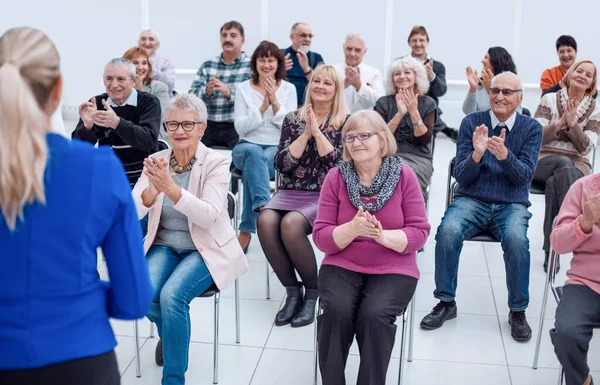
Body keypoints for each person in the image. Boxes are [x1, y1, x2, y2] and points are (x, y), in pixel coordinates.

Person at [0, 27, 153, 385]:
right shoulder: (98, 169)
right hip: (80, 355)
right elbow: (133, 301)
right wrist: (70, 296)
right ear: (57, 91)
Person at [131, 94, 248, 385]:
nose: (179, 131)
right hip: (164, 243)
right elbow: (132, 208)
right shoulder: (157, 160)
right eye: (172, 124)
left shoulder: (216, 163)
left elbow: (208, 216)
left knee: (172, 297)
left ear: (202, 127)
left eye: (187, 124)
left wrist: (171, 189)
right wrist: (151, 193)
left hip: (204, 248)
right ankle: (171, 334)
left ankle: (173, 379)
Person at [419, 72, 543, 342]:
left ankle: (517, 310)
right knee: (448, 231)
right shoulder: (471, 122)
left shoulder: (532, 128)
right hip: (471, 199)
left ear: (520, 97)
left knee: (517, 240)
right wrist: (477, 154)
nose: (499, 96)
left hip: (511, 203)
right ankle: (446, 302)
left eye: (507, 92)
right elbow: (461, 176)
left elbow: (523, 178)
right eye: (495, 90)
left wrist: (505, 156)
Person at [313, 110, 430, 385]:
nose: (356, 142)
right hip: (342, 263)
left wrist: (382, 237)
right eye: (350, 137)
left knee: (374, 315)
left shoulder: (404, 175)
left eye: (364, 135)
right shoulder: (335, 177)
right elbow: (321, 236)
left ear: (382, 140)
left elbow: (419, 232)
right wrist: (353, 229)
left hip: (394, 266)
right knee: (336, 312)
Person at [257, 64, 347, 328]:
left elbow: (338, 168)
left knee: (291, 224)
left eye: (327, 83)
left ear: (336, 90)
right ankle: (293, 291)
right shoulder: (292, 119)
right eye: (316, 81)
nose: (320, 86)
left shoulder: (346, 121)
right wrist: (306, 133)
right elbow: (282, 165)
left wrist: (318, 134)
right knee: (265, 221)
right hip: (290, 190)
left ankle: (313, 292)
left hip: (326, 193)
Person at [533, 60, 600, 273]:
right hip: (543, 161)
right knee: (562, 163)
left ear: (591, 84)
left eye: (588, 75)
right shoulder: (549, 99)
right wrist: (561, 123)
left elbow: (586, 147)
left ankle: (551, 248)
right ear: (570, 75)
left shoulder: (596, 110)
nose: (582, 75)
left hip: (577, 166)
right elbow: (535, 138)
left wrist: (573, 125)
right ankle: (574, 230)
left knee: (557, 181)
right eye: (579, 71)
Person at [233, 41, 297, 252]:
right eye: (262, 60)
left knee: (257, 163)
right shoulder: (242, 89)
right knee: (253, 153)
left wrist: (275, 102)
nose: (266, 64)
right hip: (246, 145)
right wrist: (262, 108)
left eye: (271, 60)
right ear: (255, 63)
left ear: (278, 63)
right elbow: (241, 128)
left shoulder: (289, 89)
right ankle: (264, 207)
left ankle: (246, 229)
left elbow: (292, 127)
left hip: (275, 147)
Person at [72, 58, 162, 187]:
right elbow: (78, 148)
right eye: (109, 79)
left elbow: (148, 140)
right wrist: (87, 127)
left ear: (134, 81)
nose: (114, 85)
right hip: (108, 178)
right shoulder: (96, 103)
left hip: (144, 179)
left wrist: (117, 123)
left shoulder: (149, 102)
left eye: (120, 79)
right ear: (104, 81)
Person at [549, 173, 600, 385]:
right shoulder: (584, 188)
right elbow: (558, 244)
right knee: (567, 333)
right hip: (586, 282)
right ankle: (582, 380)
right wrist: (585, 222)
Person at [374, 56, 437, 201]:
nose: (402, 77)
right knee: (390, 170)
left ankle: (411, 218)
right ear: (392, 79)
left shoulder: (428, 103)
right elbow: (379, 139)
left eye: (407, 72)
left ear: (416, 76)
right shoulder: (383, 103)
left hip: (418, 159)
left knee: (401, 172)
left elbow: (424, 140)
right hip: (387, 156)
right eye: (397, 74)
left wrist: (414, 112)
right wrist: (399, 114)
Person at [189, 21, 251, 149]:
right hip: (208, 125)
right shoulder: (208, 65)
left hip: (235, 125)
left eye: (233, 35)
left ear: (242, 41)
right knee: (190, 152)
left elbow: (254, 99)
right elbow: (191, 96)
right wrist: (207, 91)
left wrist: (230, 93)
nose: (227, 39)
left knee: (242, 154)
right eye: (224, 35)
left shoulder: (251, 66)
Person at [407, 25, 456, 141]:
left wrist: (432, 77)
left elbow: (441, 91)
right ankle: (445, 129)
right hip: (406, 107)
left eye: (421, 40)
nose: (418, 44)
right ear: (409, 43)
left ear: (427, 42)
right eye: (414, 40)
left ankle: (443, 128)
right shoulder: (401, 63)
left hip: (429, 113)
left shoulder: (437, 66)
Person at [123, 46, 170, 140]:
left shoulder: (160, 88)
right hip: (125, 139)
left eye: (144, 63)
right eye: (135, 63)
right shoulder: (119, 89)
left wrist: (141, 92)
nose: (140, 67)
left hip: (154, 140)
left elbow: (159, 117)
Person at [332, 33, 384, 113]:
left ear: (365, 51)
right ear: (343, 48)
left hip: (363, 122)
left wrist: (359, 86)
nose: (352, 53)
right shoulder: (333, 70)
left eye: (357, 50)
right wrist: (342, 87)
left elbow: (380, 101)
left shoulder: (374, 73)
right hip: (335, 120)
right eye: (349, 49)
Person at [463, 47, 522, 115]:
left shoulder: (513, 86)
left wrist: (491, 90)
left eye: (486, 57)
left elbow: (516, 115)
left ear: (496, 62)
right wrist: (472, 88)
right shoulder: (481, 85)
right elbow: (468, 112)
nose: (482, 61)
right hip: (480, 125)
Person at [283, 22, 325, 106]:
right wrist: (279, 69)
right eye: (303, 35)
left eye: (310, 36)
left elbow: (323, 84)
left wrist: (306, 68)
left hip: (308, 107)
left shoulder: (316, 58)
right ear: (292, 37)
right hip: (284, 105)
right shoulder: (281, 55)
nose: (307, 39)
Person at [139, 29, 176, 95]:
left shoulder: (166, 62)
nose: (147, 43)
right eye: (143, 39)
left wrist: (150, 66)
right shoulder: (130, 60)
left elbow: (169, 85)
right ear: (139, 42)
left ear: (158, 44)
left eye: (151, 39)